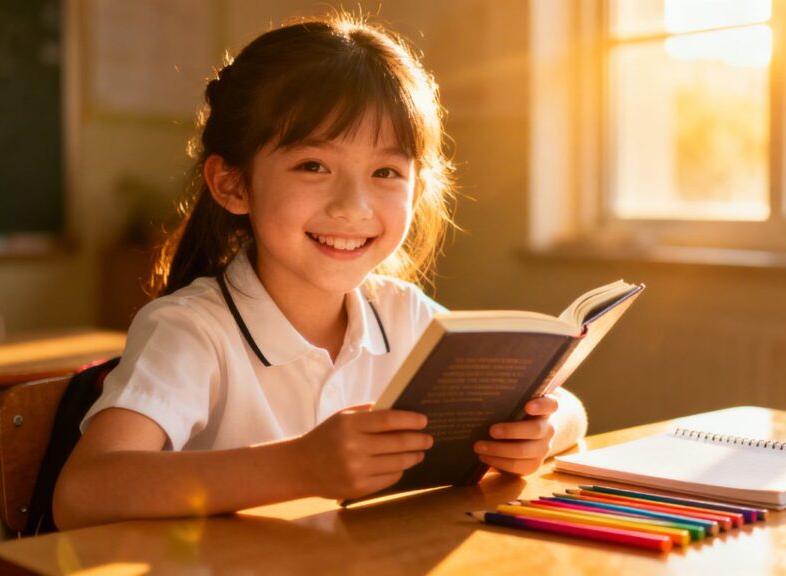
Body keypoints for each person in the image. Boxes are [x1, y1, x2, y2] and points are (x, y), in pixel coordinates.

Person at [54, 13, 588, 530]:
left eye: (385, 171)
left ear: (417, 188)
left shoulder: (403, 314)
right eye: (314, 166)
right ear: (233, 185)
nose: (353, 206)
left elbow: (569, 408)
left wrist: (545, 429)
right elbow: (84, 493)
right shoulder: (192, 329)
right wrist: (299, 467)